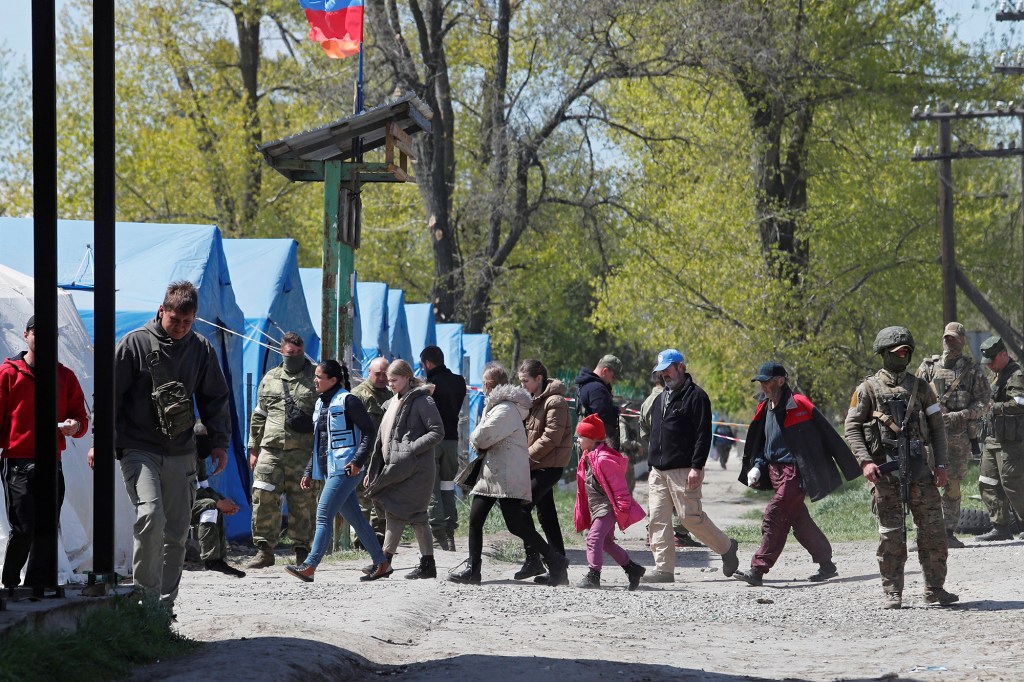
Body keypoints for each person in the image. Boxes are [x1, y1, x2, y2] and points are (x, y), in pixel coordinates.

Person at [114, 281, 232, 610]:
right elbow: (109, 396)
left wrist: (220, 442)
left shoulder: (201, 349)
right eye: (174, 320)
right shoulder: (133, 344)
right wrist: (100, 440)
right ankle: (144, 602)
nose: (180, 328)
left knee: (178, 531)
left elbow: (215, 398)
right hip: (139, 447)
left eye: (187, 322)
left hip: (182, 451)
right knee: (151, 516)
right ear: (161, 310)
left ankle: (163, 611)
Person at [844, 326, 957, 609]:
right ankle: (893, 590)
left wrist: (941, 465)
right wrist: (866, 461)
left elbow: (937, 428)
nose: (903, 356)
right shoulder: (867, 389)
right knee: (892, 534)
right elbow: (852, 427)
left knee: (933, 531)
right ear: (883, 354)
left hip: (920, 471)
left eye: (906, 351)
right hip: (885, 472)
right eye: (897, 352)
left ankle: (934, 589)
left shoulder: (921, 388)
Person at [733, 362, 861, 587]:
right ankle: (827, 564)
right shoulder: (764, 407)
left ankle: (757, 569)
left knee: (775, 513)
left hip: (795, 472)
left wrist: (849, 464)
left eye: (767, 381)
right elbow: (763, 443)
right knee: (798, 520)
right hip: (774, 471)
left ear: (781, 380)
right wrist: (758, 466)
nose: (763, 385)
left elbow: (826, 434)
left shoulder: (799, 404)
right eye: (761, 381)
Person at [449, 363, 569, 586]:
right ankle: (473, 570)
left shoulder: (505, 409)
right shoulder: (501, 406)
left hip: (504, 474)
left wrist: (478, 440)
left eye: (484, 383)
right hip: (497, 473)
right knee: (479, 519)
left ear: (488, 384)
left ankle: (553, 560)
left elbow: (481, 437)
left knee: (517, 524)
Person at [1, 315, 89, 591]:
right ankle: (10, 584)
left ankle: (36, 587)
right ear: (26, 335)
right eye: (38, 333)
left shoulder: (65, 377)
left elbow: (81, 419)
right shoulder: (9, 373)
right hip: (17, 461)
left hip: (52, 461)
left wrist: (75, 426)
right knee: (24, 527)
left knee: (47, 528)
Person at [284, 360, 389, 582]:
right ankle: (381, 563)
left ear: (332, 380)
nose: (314, 380)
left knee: (323, 514)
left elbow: (369, 432)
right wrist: (309, 470)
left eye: (318, 377)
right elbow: (320, 442)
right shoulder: (321, 403)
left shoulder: (349, 400)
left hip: (346, 469)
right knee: (357, 520)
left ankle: (310, 566)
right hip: (330, 469)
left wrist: (358, 461)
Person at [643, 349, 739, 584]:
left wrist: (697, 467)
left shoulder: (697, 397)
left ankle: (726, 547)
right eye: (661, 371)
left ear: (681, 367)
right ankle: (664, 570)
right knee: (657, 519)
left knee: (689, 518)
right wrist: (651, 463)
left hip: (684, 469)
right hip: (657, 470)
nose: (665, 375)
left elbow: (703, 435)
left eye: (668, 369)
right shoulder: (659, 399)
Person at [364, 359, 444, 580]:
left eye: (394, 380)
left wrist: (410, 449)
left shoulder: (423, 401)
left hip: (417, 470)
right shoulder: (392, 403)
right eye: (388, 381)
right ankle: (425, 564)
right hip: (397, 468)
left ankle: (384, 563)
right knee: (412, 515)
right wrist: (374, 469)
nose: (390, 384)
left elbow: (437, 432)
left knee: (397, 513)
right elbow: (384, 439)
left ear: (408, 378)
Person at [246, 332, 318, 569]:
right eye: (290, 353)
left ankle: (302, 551)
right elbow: (259, 415)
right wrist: (253, 448)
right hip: (271, 450)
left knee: (302, 501)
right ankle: (264, 550)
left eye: (298, 353)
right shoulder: (270, 378)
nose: (295, 357)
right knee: (263, 495)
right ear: (282, 352)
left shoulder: (315, 377)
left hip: (303, 451)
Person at [916, 322, 990, 548]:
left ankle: (948, 532)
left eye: (954, 339)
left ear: (962, 341)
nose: (950, 343)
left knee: (953, 486)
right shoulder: (928, 368)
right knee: (924, 485)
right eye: (947, 339)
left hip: (958, 438)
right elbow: (915, 397)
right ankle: (924, 533)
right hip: (930, 438)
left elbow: (984, 402)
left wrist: (961, 415)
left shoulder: (973, 371)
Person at [573, 414, 647, 590]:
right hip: (597, 507)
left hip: (608, 507)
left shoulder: (604, 459)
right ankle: (632, 569)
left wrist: (622, 509)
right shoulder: (588, 456)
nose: (577, 439)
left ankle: (593, 576)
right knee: (606, 542)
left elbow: (620, 488)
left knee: (593, 539)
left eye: (581, 436)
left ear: (591, 439)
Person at [514, 359, 572, 584]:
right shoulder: (534, 400)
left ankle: (535, 558)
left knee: (520, 508)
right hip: (539, 464)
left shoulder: (554, 401)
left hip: (548, 466)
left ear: (539, 378)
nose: (522, 386)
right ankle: (559, 570)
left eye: (525, 381)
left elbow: (551, 437)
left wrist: (525, 457)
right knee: (547, 516)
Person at [640, 372, 699, 549]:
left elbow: (643, 430)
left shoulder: (646, 401)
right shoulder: (670, 398)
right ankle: (679, 534)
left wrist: (652, 444)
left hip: (655, 455)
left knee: (657, 497)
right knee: (680, 497)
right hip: (674, 455)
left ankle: (654, 535)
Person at [974, 335, 1024, 541]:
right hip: (992, 439)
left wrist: (992, 408)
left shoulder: (1016, 375)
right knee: (988, 481)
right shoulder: (998, 374)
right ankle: (1000, 526)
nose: (990, 366)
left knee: (1012, 482)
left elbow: (1020, 404)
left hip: (1011, 441)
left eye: (992, 361)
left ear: (1003, 355)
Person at [421, 345, 467, 551]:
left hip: (433, 441)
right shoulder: (459, 381)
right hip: (452, 441)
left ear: (428, 364)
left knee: (432, 487)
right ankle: (450, 532)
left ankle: (438, 534)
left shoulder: (431, 384)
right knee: (448, 486)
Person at [191, 423, 245, 578]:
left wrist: (223, 502)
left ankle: (219, 560)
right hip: (176, 501)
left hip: (191, 500)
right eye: (201, 438)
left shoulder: (198, 456)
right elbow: (188, 488)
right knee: (210, 505)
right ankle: (210, 560)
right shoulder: (183, 455)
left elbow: (203, 485)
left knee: (216, 506)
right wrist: (217, 502)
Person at [351, 356, 391, 544]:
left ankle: (378, 536)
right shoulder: (358, 395)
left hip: (384, 458)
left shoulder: (392, 395)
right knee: (362, 501)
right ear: (369, 372)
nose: (382, 378)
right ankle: (359, 539)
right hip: (363, 456)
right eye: (378, 374)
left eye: (385, 374)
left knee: (381, 500)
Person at [575, 354, 622, 449]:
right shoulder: (597, 389)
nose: (613, 380)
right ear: (605, 371)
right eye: (613, 376)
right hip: (594, 446)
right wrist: (617, 410)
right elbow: (604, 414)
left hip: (586, 441)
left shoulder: (586, 384)